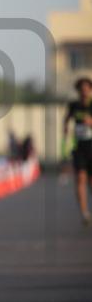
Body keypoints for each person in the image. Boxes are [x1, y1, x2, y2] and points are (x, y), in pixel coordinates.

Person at [63, 76, 92, 225]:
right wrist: (66, 129)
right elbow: (66, 119)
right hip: (79, 147)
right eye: (82, 89)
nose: (84, 92)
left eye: (87, 89)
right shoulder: (74, 105)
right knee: (80, 178)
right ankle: (84, 213)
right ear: (78, 91)